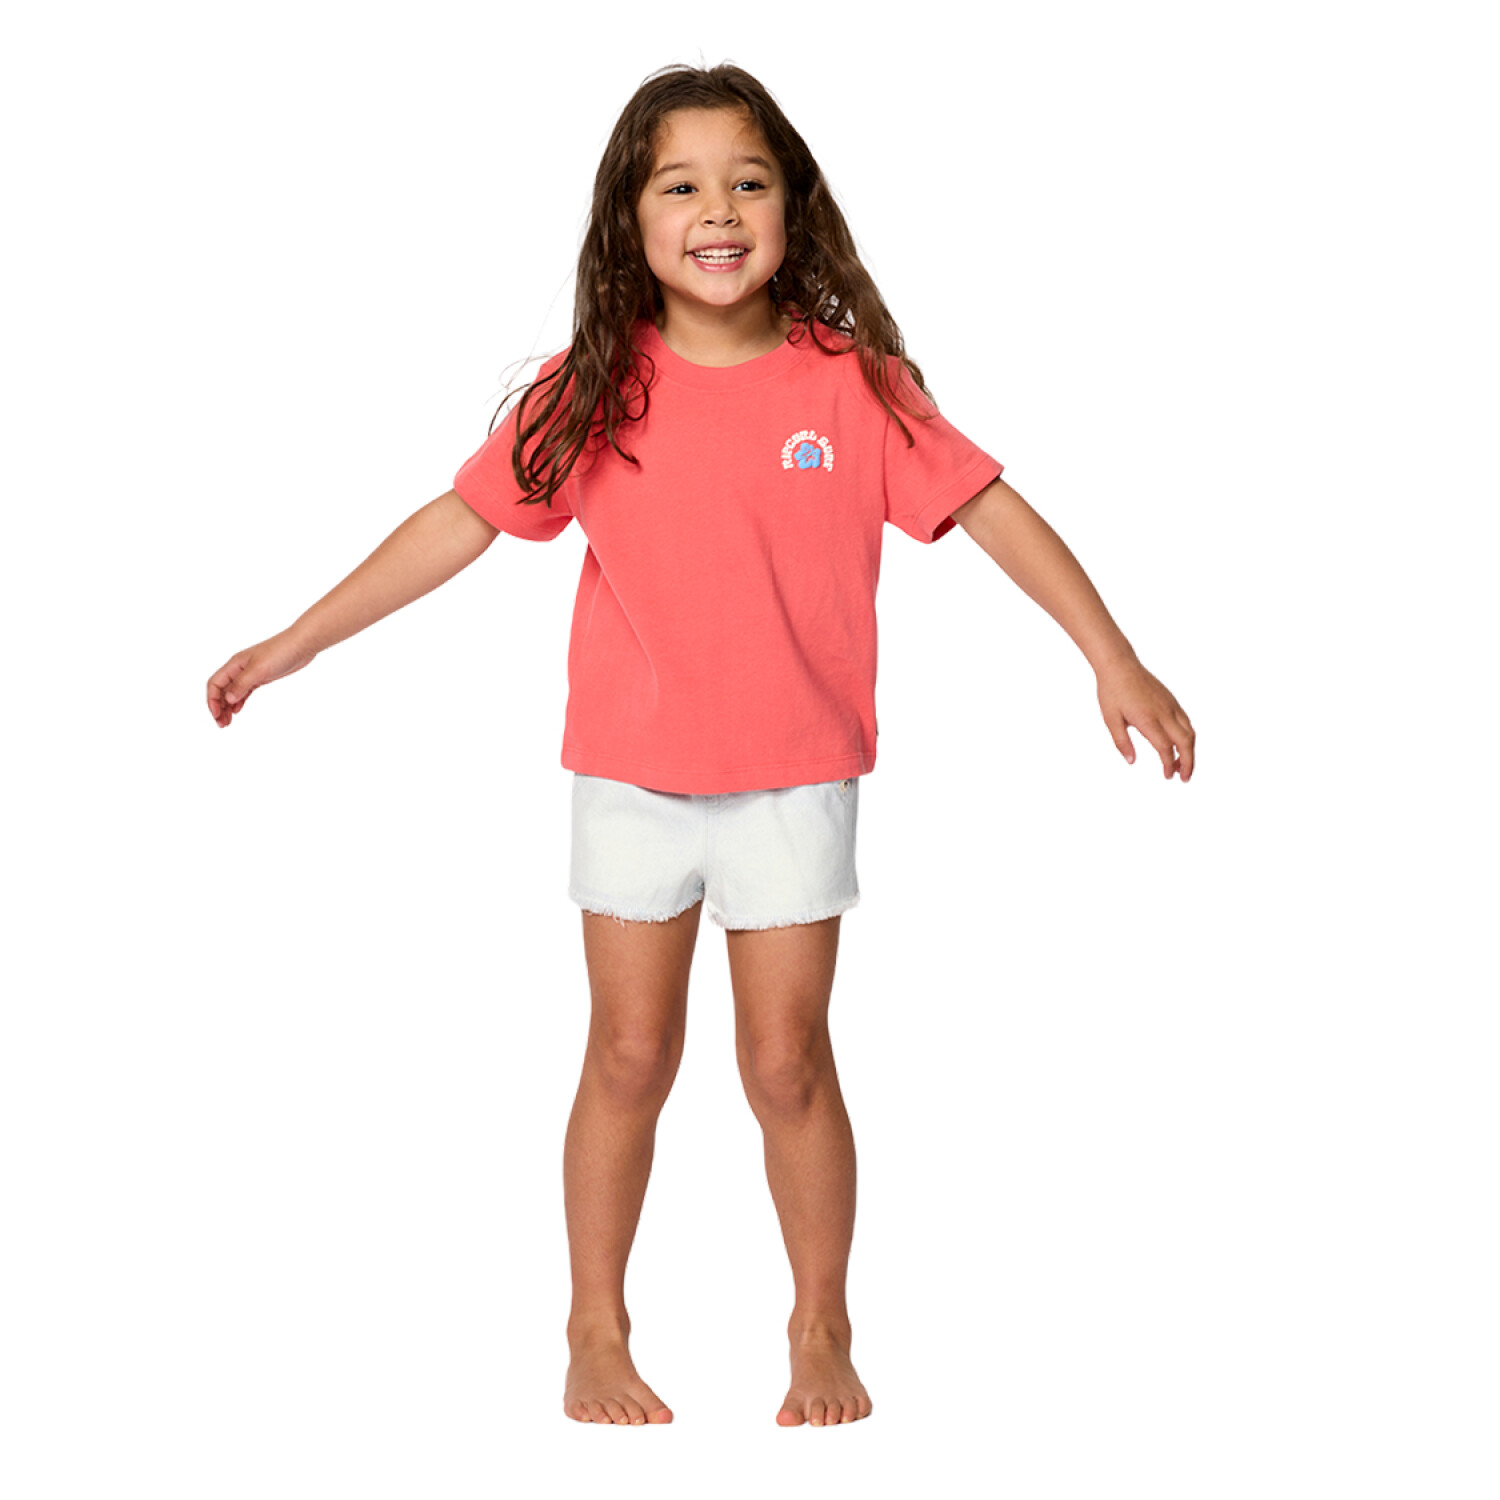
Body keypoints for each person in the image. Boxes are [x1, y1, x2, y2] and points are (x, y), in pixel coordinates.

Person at [205, 62, 1195, 1430]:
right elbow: (458, 524)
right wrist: (295, 642)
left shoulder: (854, 384)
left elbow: (992, 509)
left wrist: (1112, 653)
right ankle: (594, 1330)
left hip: (796, 776)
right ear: (632, 215)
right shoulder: (593, 389)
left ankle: (820, 1325)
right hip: (631, 776)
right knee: (628, 1054)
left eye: (749, 181)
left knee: (787, 1064)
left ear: (794, 206)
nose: (718, 210)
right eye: (681, 185)